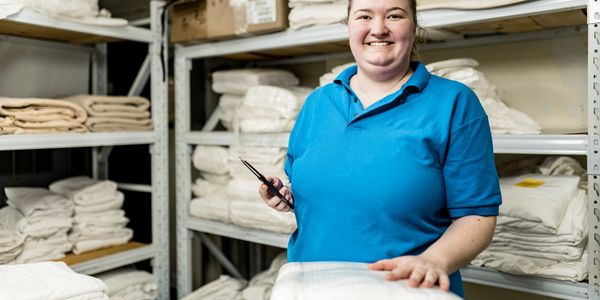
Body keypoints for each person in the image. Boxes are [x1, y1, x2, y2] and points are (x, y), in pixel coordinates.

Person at [258, 0, 501, 297]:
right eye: (364, 16)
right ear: (348, 25)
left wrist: (433, 261)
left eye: (394, 16)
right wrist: (286, 196)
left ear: (414, 26)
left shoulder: (455, 103)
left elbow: (478, 216)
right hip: (314, 285)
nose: (378, 29)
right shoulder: (318, 103)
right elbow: (315, 192)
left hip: (405, 288)